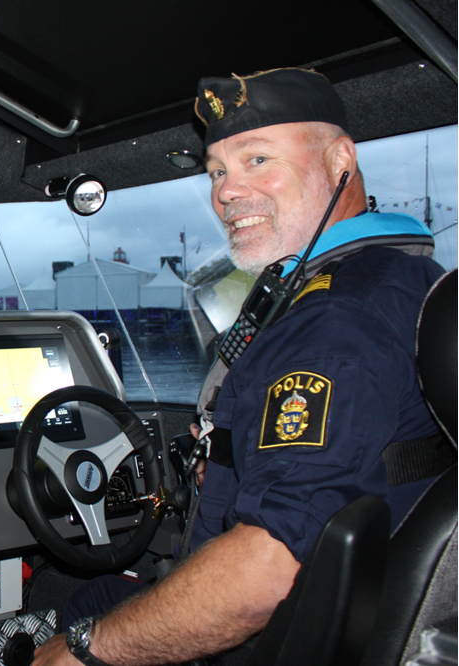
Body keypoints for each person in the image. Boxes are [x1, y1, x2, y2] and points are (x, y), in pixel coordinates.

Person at [33, 68, 450, 666]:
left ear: (340, 162)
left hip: (274, 642)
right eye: (218, 171)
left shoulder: (333, 320)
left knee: (75, 620)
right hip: (359, 615)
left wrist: (81, 654)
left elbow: (267, 573)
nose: (227, 191)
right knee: (94, 593)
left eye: (257, 159)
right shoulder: (404, 277)